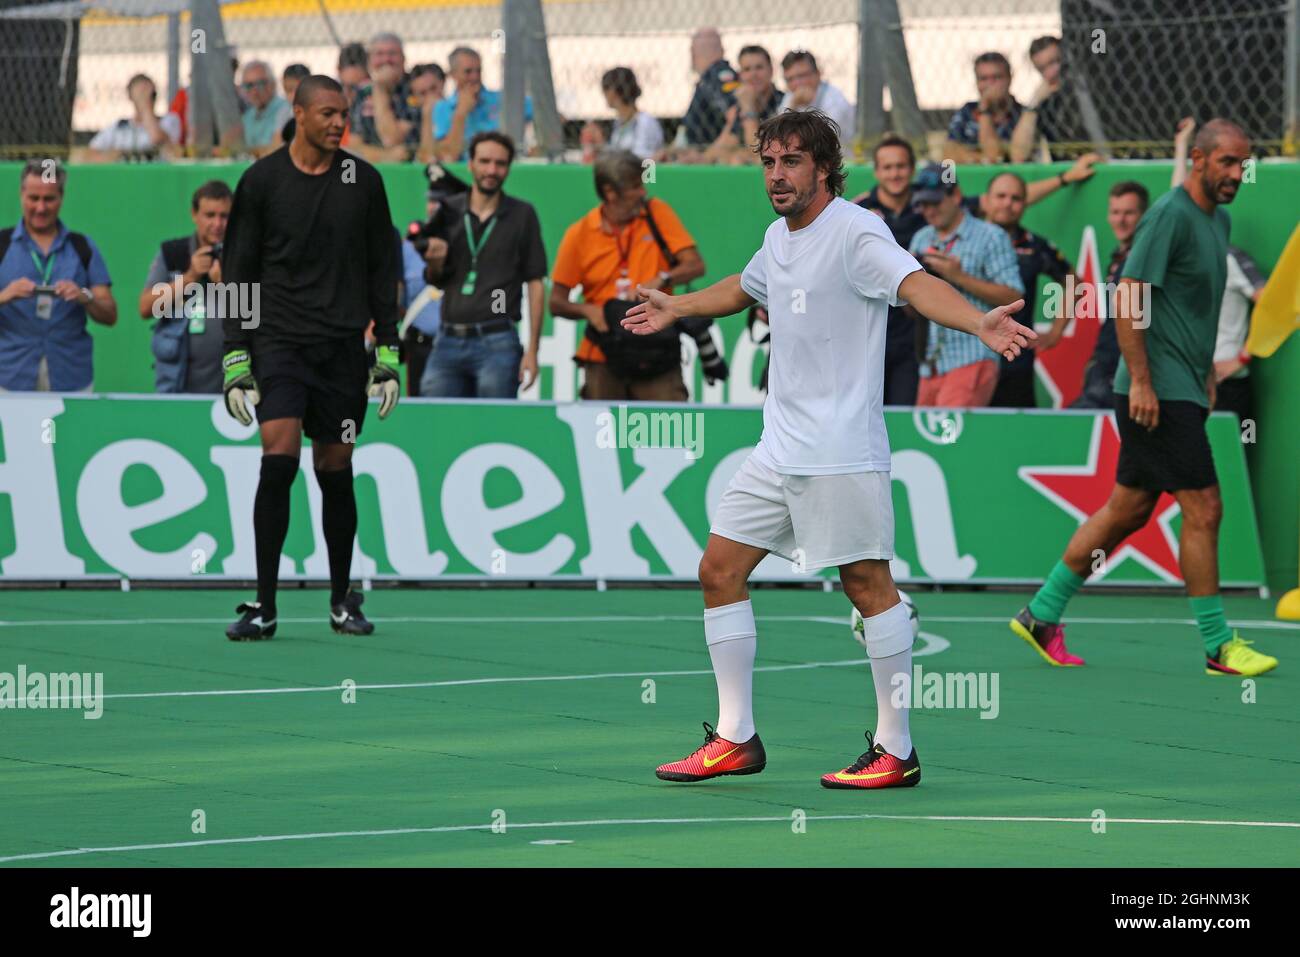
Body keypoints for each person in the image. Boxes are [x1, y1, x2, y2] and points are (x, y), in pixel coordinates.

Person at [623, 109, 1032, 789]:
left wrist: (976, 318)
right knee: (718, 568)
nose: (777, 175)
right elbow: (744, 286)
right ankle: (734, 736)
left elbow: (915, 286)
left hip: (841, 450)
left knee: (866, 585)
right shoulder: (778, 237)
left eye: (791, 162)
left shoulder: (856, 231)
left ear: (822, 168)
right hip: (776, 451)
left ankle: (896, 748)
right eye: (768, 162)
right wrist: (679, 305)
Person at [1010, 118, 1277, 678]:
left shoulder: (1217, 220)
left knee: (1127, 509)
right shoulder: (1169, 215)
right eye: (1227, 162)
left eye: (1243, 163)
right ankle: (1217, 644)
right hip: (1154, 394)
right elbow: (1129, 298)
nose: (1237, 173)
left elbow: (1192, 310)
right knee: (1205, 507)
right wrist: (1145, 381)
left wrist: (1203, 372)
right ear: (1199, 159)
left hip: (1183, 387)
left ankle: (1042, 613)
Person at [220, 75, 401, 642]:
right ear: (297, 112)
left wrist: (388, 353)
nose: (337, 122)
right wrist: (234, 355)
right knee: (277, 457)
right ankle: (264, 606)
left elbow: (381, 269)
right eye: (326, 112)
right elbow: (239, 270)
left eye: (342, 113)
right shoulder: (261, 180)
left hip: (343, 350)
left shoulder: (363, 181)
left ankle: (342, 599)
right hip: (278, 344)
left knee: (335, 470)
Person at [550, 149, 705, 400]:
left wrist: (663, 278)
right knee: (602, 436)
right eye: (635, 186)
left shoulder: (656, 213)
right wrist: (589, 311)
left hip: (657, 348)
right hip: (604, 352)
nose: (643, 192)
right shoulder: (579, 234)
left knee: (664, 435)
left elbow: (695, 265)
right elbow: (556, 302)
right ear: (610, 192)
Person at [420, 132, 545, 397]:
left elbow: (536, 282)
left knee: (494, 428)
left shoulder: (522, 214)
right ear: (470, 164)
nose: (492, 170)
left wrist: (533, 350)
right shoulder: (449, 210)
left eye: (500, 164)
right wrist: (435, 262)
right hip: (448, 338)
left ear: (509, 168)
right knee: (435, 425)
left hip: (498, 339)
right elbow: (435, 279)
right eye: (484, 161)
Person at [906, 163, 1024, 407]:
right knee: (924, 442)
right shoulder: (921, 237)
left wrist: (959, 277)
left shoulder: (991, 236)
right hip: (930, 364)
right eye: (923, 204)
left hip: (972, 356)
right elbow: (912, 308)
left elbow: (1014, 296)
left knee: (951, 443)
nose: (929, 210)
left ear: (956, 196)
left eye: (935, 202)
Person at [0, 161, 116, 392]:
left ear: (61, 198)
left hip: (71, 374)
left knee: (71, 430)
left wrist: (84, 296)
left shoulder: (82, 246)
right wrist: (6, 295)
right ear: (22, 195)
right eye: (34, 198)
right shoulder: (2, 245)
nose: (41, 208)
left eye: (49, 199)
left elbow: (110, 314)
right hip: (10, 374)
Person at [979, 172, 1073, 407]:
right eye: (1000, 196)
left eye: (1016, 198)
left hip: (1015, 361)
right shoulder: (965, 239)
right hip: (967, 358)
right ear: (986, 200)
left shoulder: (1034, 245)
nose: (1007, 204)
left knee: (1015, 435)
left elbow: (1074, 282)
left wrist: (1055, 331)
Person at [139, 180, 233, 393]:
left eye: (224, 216)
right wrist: (189, 277)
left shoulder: (244, 256)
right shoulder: (173, 253)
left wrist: (224, 284)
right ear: (194, 214)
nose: (217, 224)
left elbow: (254, 319)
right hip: (177, 383)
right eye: (210, 215)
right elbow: (146, 308)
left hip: (231, 385)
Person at [1072, 180, 1149, 409]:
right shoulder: (1120, 257)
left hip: (1124, 373)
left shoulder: (1146, 257)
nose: (1120, 220)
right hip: (1105, 368)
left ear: (1145, 216)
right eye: (1115, 212)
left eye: (1129, 213)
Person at [434, 47, 532, 162]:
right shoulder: (442, 108)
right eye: (468, 72)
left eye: (478, 71)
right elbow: (449, 156)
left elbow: (545, 115)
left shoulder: (501, 99)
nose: (475, 77)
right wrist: (460, 113)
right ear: (453, 74)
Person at [350, 32, 423, 155]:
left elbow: (391, 139)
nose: (386, 60)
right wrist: (385, 156)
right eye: (379, 54)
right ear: (369, 60)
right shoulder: (362, 92)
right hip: (373, 165)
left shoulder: (415, 89)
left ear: (404, 59)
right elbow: (354, 144)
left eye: (392, 54)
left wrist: (380, 89)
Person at [945, 52, 1022, 164]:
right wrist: (982, 158)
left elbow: (994, 156)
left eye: (997, 77)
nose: (990, 84)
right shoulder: (966, 111)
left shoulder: (1022, 114)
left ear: (1009, 78)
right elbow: (948, 154)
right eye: (983, 79)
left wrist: (985, 109)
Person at [85, 74, 181, 161]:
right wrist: (116, 156)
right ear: (131, 97)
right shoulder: (119, 127)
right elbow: (91, 153)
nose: (145, 97)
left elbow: (156, 138)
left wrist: (144, 104)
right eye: (140, 94)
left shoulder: (169, 120)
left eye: (150, 94)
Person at [581, 67, 663, 162]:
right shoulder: (620, 123)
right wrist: (600, 146)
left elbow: (640, 161)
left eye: (605, 89)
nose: (603, 94)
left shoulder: (645, 122)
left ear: (612, 91)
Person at [677, 28, 739, 151]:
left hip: (712, 161)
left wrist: (708, 155)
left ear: (693, 53)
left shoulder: (719, 74)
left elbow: (736, 118)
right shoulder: (707, 79)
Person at [779, 50, 855, 148]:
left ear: (818, 74)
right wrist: (793, 105)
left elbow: (823, 139)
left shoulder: (834, 98)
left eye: (802, 76)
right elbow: (779, 134)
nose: (796, 83)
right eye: (790, 79)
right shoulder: (791, 96)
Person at [229, 61, 292, 156]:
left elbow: (277, 150)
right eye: (249, 85)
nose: (255, 90)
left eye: (260, 83)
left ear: (273, 84)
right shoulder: (248, 116)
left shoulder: (286, 111)